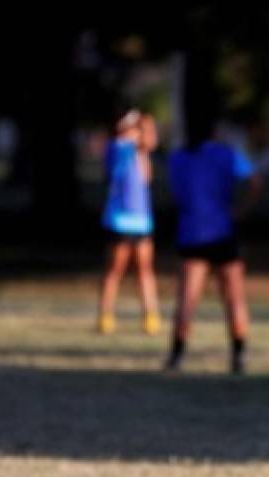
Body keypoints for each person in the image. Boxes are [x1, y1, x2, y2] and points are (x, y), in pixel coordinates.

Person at [165, 109, 262, 373]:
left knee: (186, 299)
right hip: (222, 232)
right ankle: (238, 354)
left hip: (191, 233)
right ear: (214, 132)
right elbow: (255, 181)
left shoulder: (177, 158)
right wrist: (240, 209)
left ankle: (176, 356)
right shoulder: (226, 154)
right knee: (234, 297)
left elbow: (176, 193)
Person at [97, 109, 162, 335]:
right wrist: (131, 124)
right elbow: (124, 140)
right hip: (120, 221)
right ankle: (106, 316)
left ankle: (150, 315)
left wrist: (146, 125)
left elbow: (151, 141)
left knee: (145, 270)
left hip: (142, 221)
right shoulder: (118, 148)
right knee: (115, 270)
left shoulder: (141, 155)